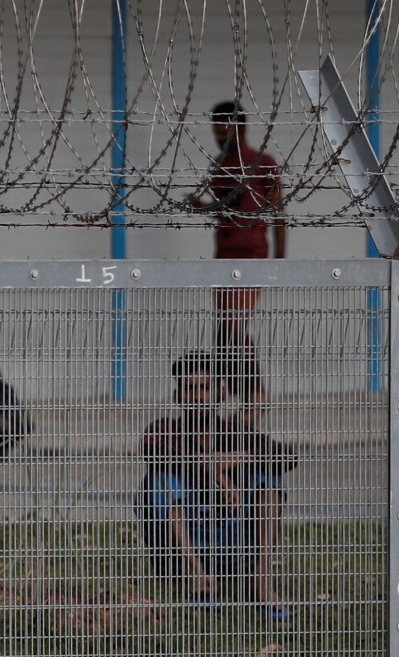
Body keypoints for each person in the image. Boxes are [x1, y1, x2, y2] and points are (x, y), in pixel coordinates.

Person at [136, 350, 296, 621]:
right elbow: (152, 447)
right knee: (159, 477)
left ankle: (261, 580)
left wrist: (240, 458)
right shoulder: (164, 430)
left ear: (221, 393)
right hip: (182, 551)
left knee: (268, 477)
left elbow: (287, 456)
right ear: (177, 397)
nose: (198, 397)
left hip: (233, 544)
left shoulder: (236, 434)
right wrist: (212, 470)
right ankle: (196, 575)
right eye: (190, 389)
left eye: (205, 388)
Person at [188, 101, 286, 416]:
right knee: (225, 329)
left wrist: (280, 261)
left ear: (239, 128)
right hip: (225, 253)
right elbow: (224, 209)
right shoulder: (219, 165)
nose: (219, 138)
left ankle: (254, 395)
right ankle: (240, 393)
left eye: (224, 131)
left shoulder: (262, 163)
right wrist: (202, 206)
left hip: (251, 254)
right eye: (216, 132)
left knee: (233, 327)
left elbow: (278, 212)